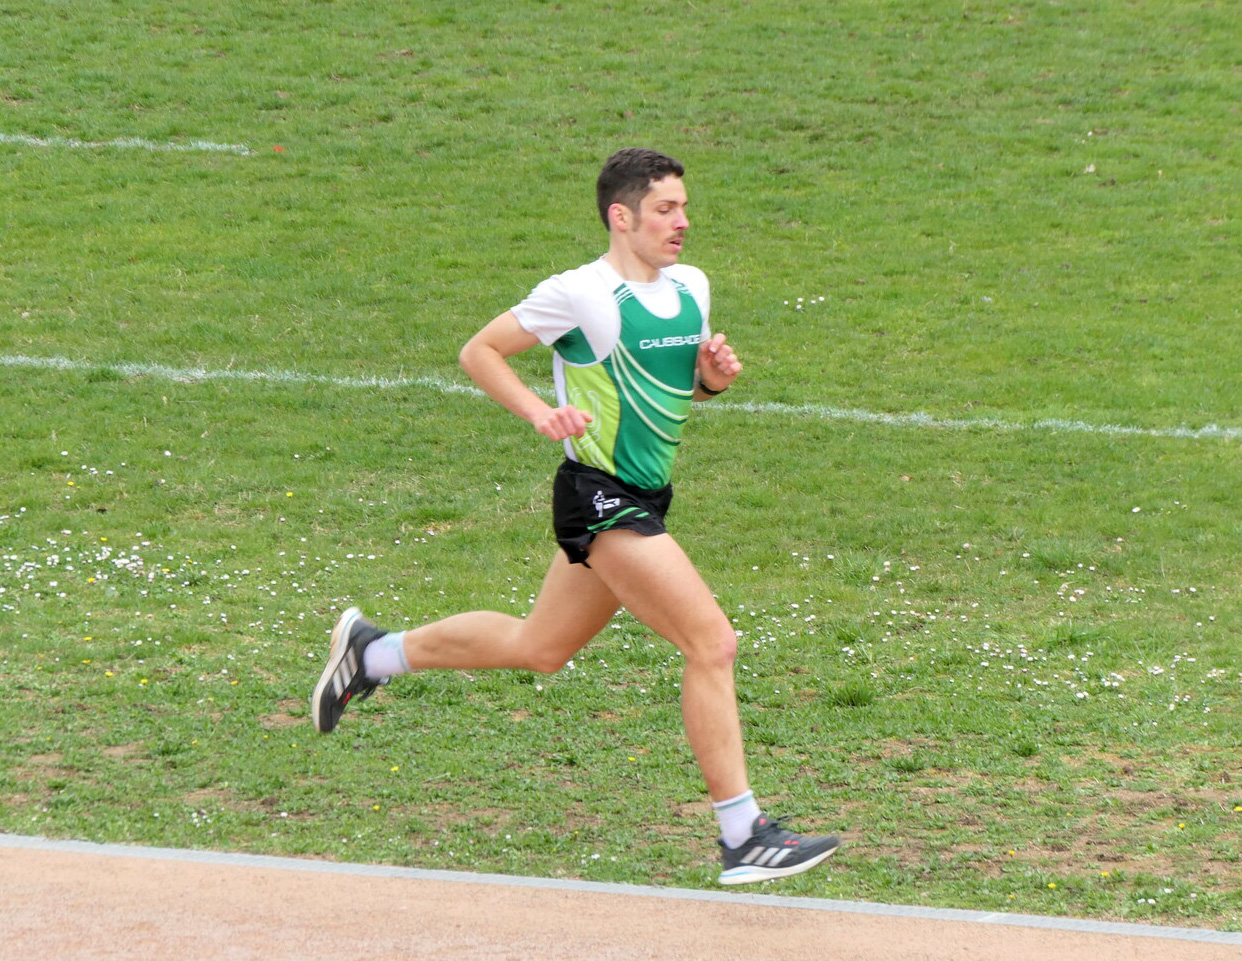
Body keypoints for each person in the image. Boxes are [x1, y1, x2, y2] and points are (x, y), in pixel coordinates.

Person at [311, 147, 840, 885]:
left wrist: (711, 382)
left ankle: (371, 653)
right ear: (622, 217)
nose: (682, 221)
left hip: (645, 496)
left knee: (541, 646)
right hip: (598, 495)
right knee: (712, 644)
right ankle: (742, 833)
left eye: (684, 207)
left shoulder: (692, 286)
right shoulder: (580, 293)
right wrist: (538, 410)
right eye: (665, 209)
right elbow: (481, 350)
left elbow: (671, 387)